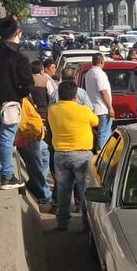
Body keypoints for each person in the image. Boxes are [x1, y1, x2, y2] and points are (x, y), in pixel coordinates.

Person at [0, 17, 33, 189]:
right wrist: (19, 94)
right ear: (16, 32)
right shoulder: (20, 55)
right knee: (6, 138)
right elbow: (27, 85)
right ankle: (7, 177)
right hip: (10, 103)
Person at [47, 81, 99, 232]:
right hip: (82, 155)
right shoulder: (83, 110)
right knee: (84, 191)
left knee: (63, 191)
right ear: (75, 96)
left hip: (60, 155)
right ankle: (86, 226)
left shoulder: (52, 110)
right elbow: (96, 122)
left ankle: (62, 223)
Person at [18, 60, 53, 204]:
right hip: (29, 136)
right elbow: (24, 121)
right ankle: (44, 195)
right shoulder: (21, 100)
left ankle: (36, 183)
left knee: (44, 154)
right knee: (36, 166)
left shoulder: (26, 98)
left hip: (34, 135)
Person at [84, 53, 114, 150]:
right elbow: (103, 91)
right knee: (104, 132)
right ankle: (101, 151)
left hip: (93, 107)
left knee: (100, 132)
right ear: (102, 61)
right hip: (102, 108)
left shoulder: (89, 73)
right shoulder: (100, 74)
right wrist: (110, 107)